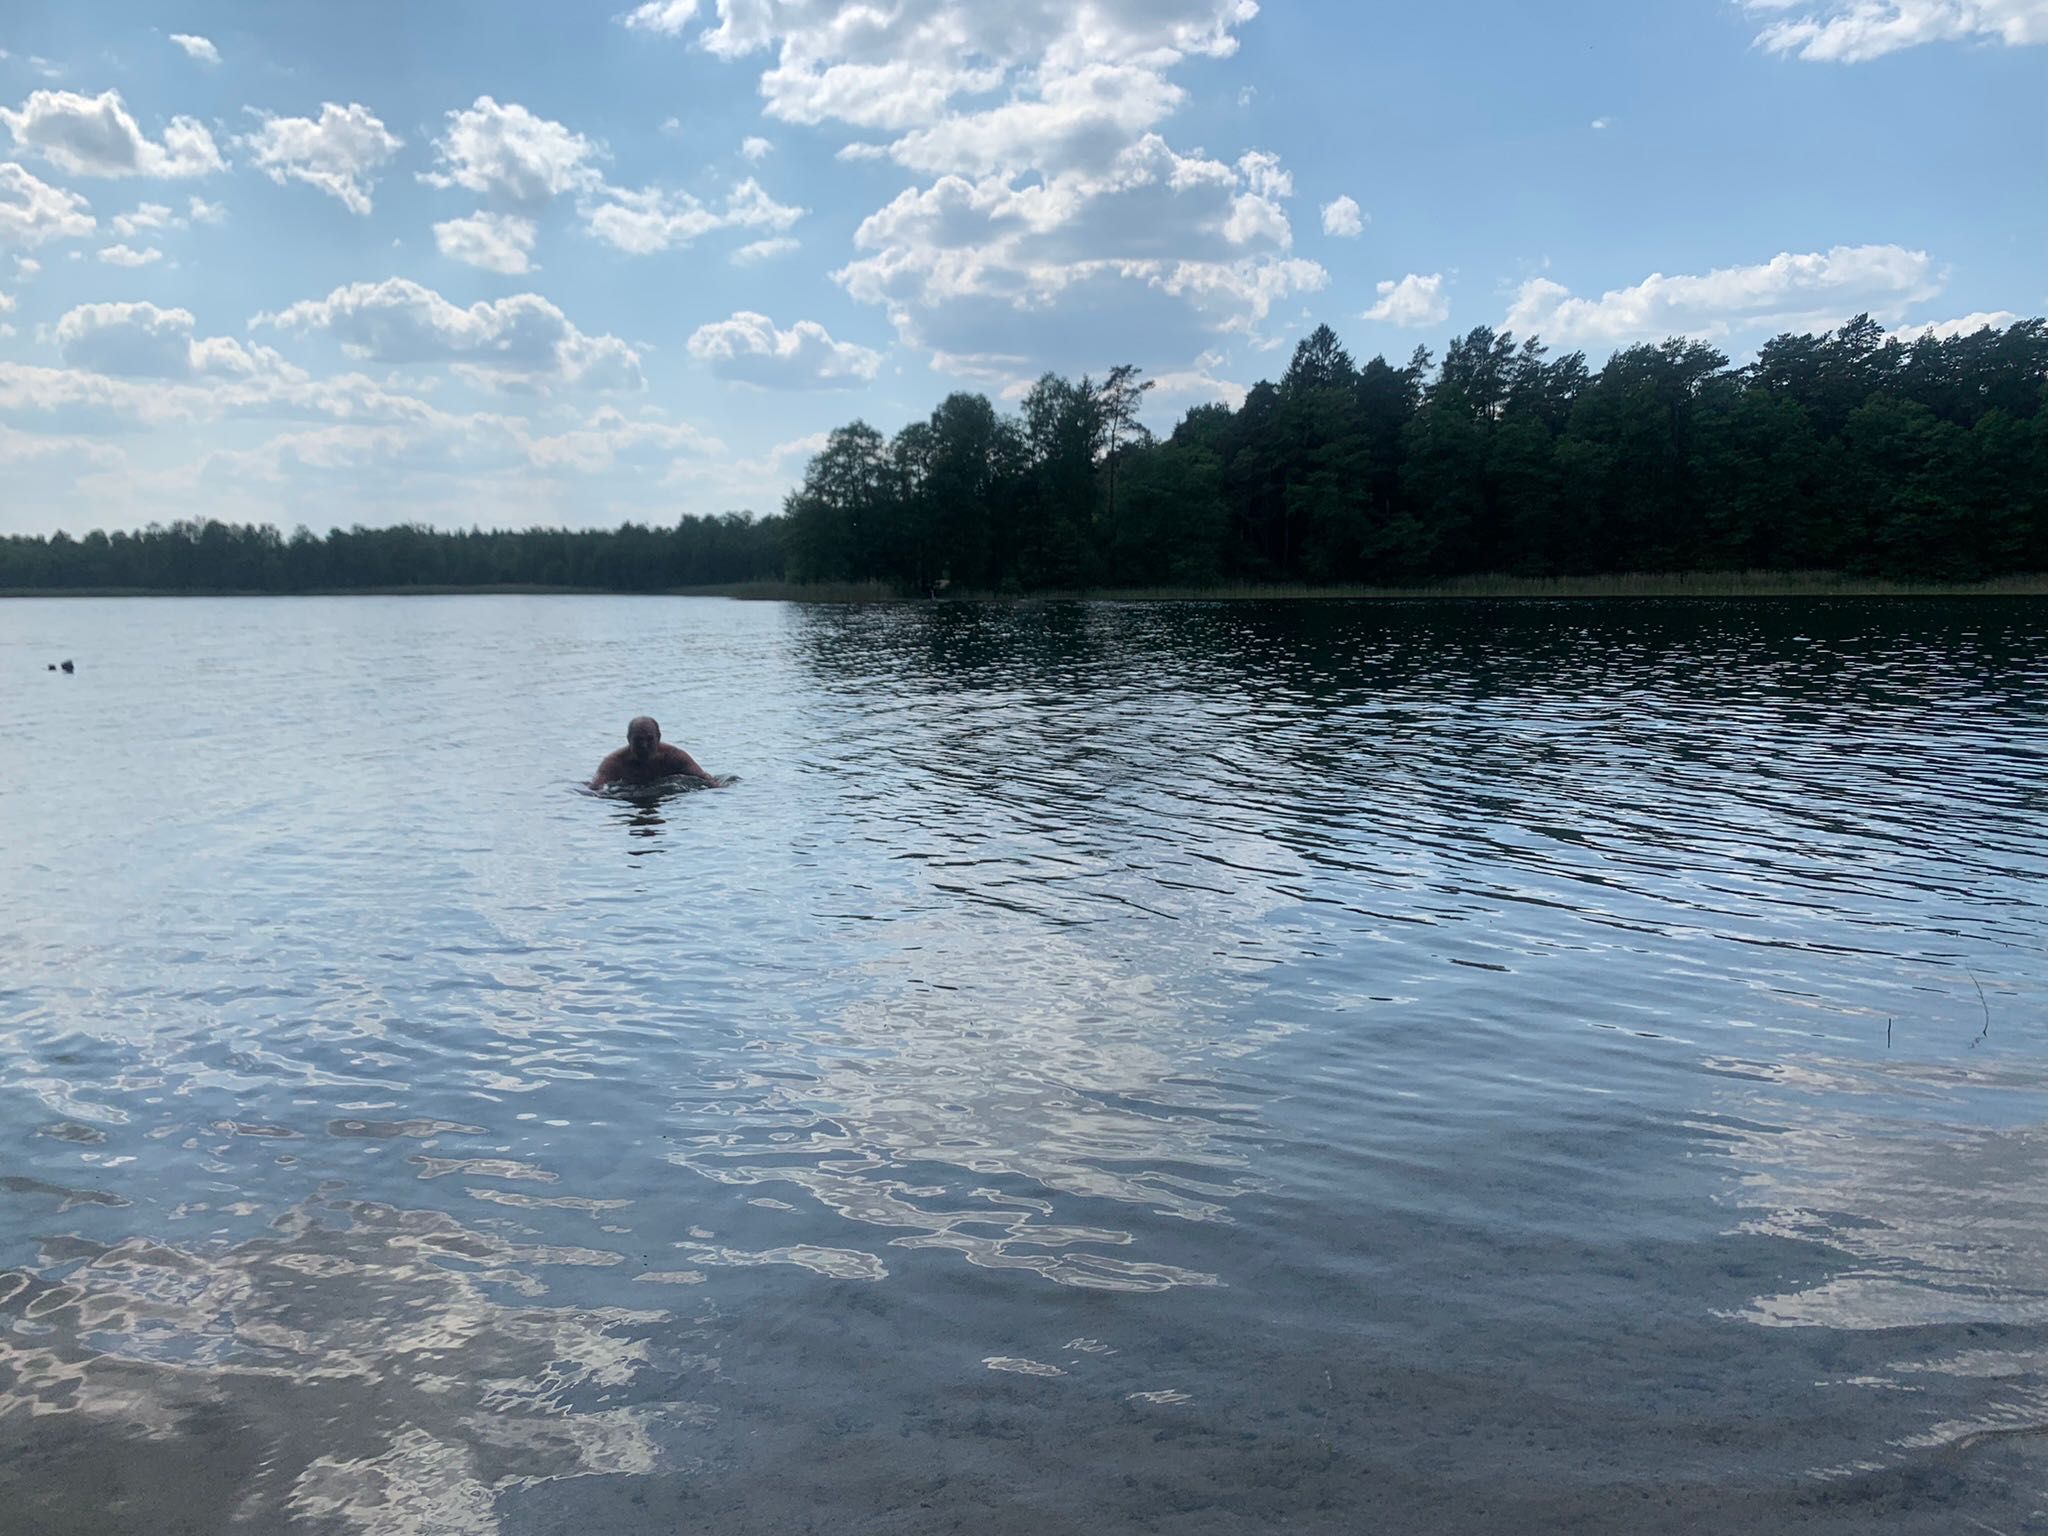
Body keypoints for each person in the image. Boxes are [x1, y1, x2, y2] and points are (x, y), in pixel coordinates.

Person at [589, 716, 723, 790]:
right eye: (638, 740)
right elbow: (595, 788)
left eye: (649, 739)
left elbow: (705, 778)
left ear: (658, 737)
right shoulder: (615, 762)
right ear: (628, 739)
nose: (644, 746)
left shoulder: (674, 756)